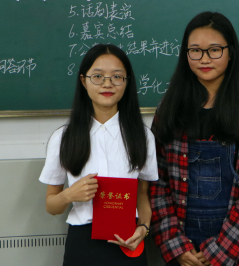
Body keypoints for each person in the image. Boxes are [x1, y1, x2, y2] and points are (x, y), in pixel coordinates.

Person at [150, 12, 239, 266]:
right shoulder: (170, 107)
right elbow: (157, 182)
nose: (204, 59)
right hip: (183, 252)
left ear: (230, 53)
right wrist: (175, 245)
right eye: (195, 51)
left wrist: (219, 251)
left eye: (215, 50)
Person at [39, 44, 158, 266]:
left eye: (117, 77)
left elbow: (142, 196)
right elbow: (51, 205)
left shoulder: (143, 136)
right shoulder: (64, 137)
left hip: (127, 242)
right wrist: (69, 194)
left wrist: (143, 227)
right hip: (82, 244)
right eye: (98, 76)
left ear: (127, 82)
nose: (107, 84)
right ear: (83, 81)